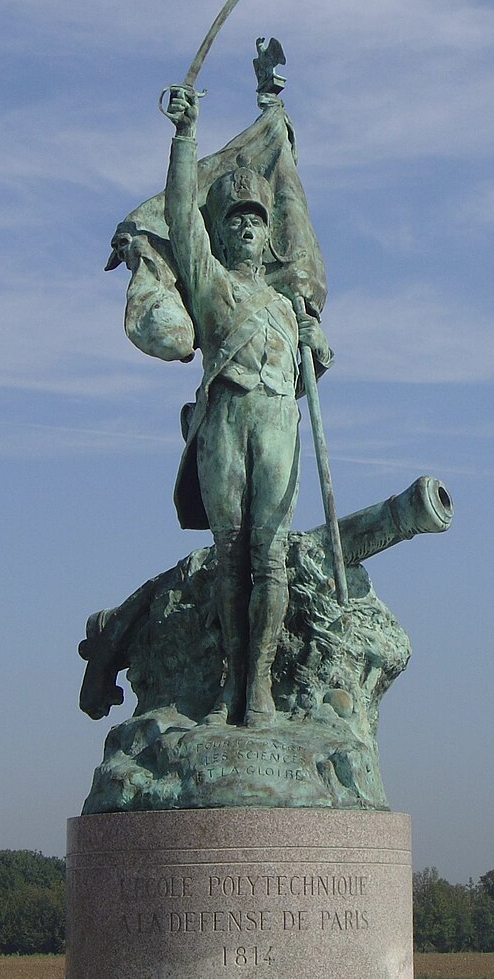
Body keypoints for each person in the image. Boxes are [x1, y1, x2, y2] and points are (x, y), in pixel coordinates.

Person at [163, 87, 332, 728]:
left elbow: (311, 366)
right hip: (225, 423)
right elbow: (182, 216)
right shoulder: (212, 287)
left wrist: (317, 345)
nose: (246, 227)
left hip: (275, 421)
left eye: (256, 219)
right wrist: (184, 138)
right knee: (231, 554)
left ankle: (259, 688)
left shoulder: (289, 305)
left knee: (271, 554)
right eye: (235, 218)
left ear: (268, 234)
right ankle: (231, 685)